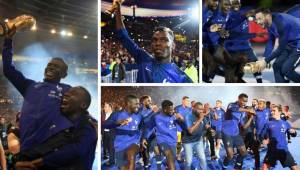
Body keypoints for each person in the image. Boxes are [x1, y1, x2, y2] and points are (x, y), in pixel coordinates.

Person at [2, 32, 73, 154]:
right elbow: (8, 70)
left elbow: (80, 115)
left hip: (52, 153)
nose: (51, 67)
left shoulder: (68, 90)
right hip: (27, 151)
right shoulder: (30, 86)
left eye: (56, 67)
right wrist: (8, 40)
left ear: (64, 74)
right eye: (49, 65)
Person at [15, 86, 97, 170]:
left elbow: (76, 150)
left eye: (73, 94)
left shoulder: (87, 125)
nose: (66, 94)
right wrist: (23, 161)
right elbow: (47, 147)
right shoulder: (65, 127)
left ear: (83, 105)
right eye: (67, 93)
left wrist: (37, 163)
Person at [114, 1, 192, 83]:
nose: (158, 43)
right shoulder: (144, 58)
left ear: (173, 45)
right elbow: (123, 37)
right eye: (155, 40)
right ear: (151, 44)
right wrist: (117, 10)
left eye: (163, 40)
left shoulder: (182, 78)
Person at [255, 8, 300, 82]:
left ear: (268, 16)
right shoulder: (269, 23)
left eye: (260, 18)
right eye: (256, 19)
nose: (258, 22)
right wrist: (265, 57)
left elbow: (281, 47)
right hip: (290, 44)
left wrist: (266, 61)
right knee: (277, 66)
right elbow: (271, 40)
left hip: (298, 44)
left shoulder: (281, 23)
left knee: (286, 70)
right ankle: (282, 89)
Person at [224, 0, 263, 83]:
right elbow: (234, 34)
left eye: (238, 3)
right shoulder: (228, 16)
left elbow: (250, 14)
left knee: (255, 64)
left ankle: (260, 82)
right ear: (230, 4)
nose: (237, 5)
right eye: (234, 3)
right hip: (233, 49)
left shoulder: (242, 13)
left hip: (245, 46)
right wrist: (254, 35)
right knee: (233, 76)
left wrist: (254, 17)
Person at [102, 95, 142, 170]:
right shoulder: (117, 114)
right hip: (119, 146)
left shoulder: (139, 116)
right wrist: (117, 123)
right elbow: (105, 125)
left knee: (131, 155)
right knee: (122, 168)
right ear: (128, 103)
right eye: (136, 104)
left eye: (138, 104)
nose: (138, 106)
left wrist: (143, 138)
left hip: (133, 143)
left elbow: (144, 127)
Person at [142, 100, 184, 170]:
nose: (172, 111)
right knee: (169, 155)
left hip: (173, 141)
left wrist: (181, 119)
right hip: (162, 140)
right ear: (164, 110)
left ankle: (166, 164)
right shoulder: (156, 117)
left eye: (173, 109)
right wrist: (144, 138)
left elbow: (183, 128)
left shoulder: (175, 116)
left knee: (171, 160)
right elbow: (149, 127)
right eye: (170, 110)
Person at [222, 93, 256, 170]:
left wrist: (251, 118)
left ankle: (236, 168)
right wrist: (248, 110)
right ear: (239, 99)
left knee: (244, 152)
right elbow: (235, 109)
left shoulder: (243, 112)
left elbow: (244, 127)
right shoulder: (231, 105)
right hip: (227, 133)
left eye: (246, 101)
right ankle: (224, 168)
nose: (244, 103)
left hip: (236, 133)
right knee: (230, 155)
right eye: (243, 101)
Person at [261, 105, 298, 170]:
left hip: (283, 150)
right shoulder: (268, 123)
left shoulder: (285, 123)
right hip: (272, 150)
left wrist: (294, 132)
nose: (272, 112)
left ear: (280, 112)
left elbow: (294, 135)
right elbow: (262, 135)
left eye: (274, 111)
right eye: (271, 111)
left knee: (295, 168)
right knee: (265, 167)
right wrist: (264, 140)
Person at [182, 102, 210, 170]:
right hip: (188, 142)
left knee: (202, 158)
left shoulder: (202, 115)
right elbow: (190, 131)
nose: (201, 111)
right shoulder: (188, 116)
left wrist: (210, 130)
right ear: (193, 108)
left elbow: (207, 126)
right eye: (199, 109)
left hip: (198, 141)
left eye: (202, 109)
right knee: (189, 161)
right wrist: (200, 119)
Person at [174, 96, 192, 161]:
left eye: (188, 101)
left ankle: (186, 156)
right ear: (183, 101)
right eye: (186, 100)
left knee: (186, 143)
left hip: (186, 129)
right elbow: (176, 115)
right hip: (179, 128)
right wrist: (180, 117)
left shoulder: (190, 109)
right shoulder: (177, 108)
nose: (188, 102)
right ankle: (178, 156)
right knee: (179, 142)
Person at [101, 102, 115, 166]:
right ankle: (107, 156)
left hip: (112, 133)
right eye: (104, 106)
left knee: (111, 148)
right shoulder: (103, 114)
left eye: (105, 106)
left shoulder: (114, 115)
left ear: (110, 107)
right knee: (105, 146)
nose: (104, 108)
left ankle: (112, 161)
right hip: (104, 133)